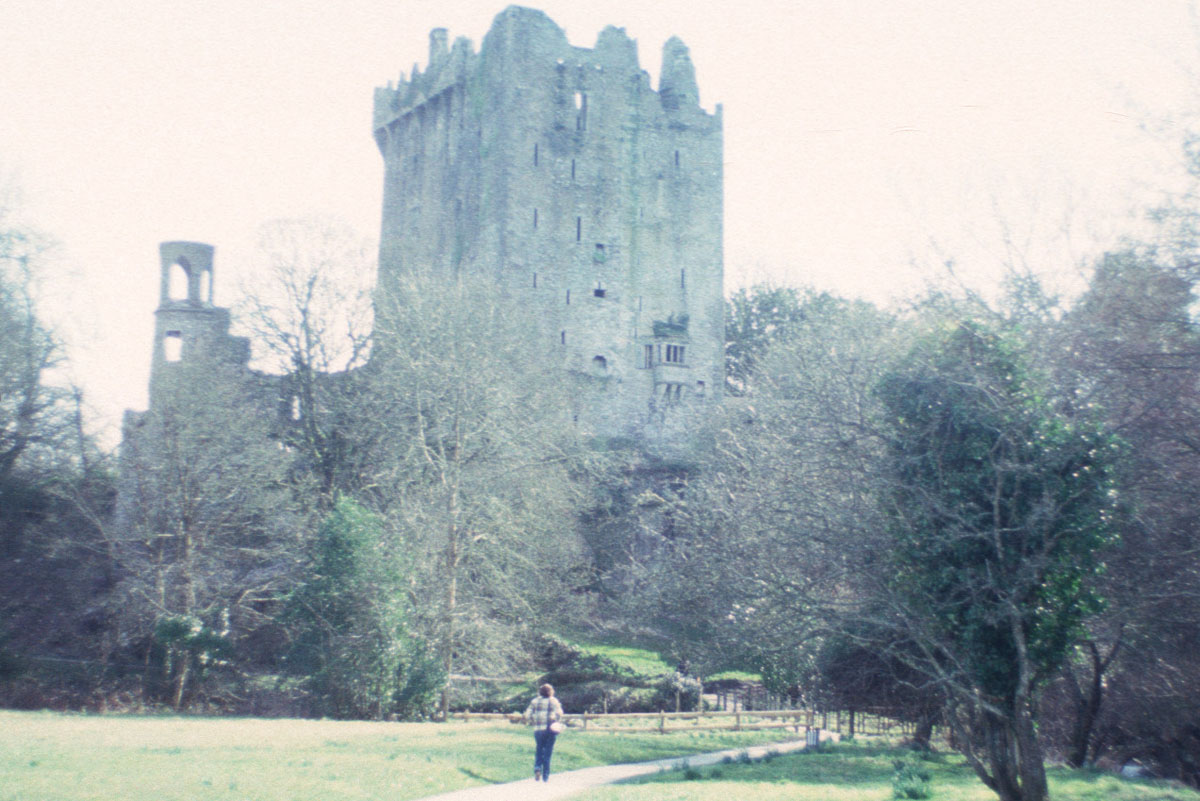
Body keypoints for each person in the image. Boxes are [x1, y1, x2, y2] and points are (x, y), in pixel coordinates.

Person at [523, 682, 564, 782]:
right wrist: (556, 721)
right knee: (548, 752)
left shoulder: (534, 701)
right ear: (551, 692)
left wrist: (531, 720)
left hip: (538, 730)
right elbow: (559, 713)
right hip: (550, 729)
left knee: (539, 749)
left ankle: (537, 768)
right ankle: (545, 776)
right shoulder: (554, 701)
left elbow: (527, 715)